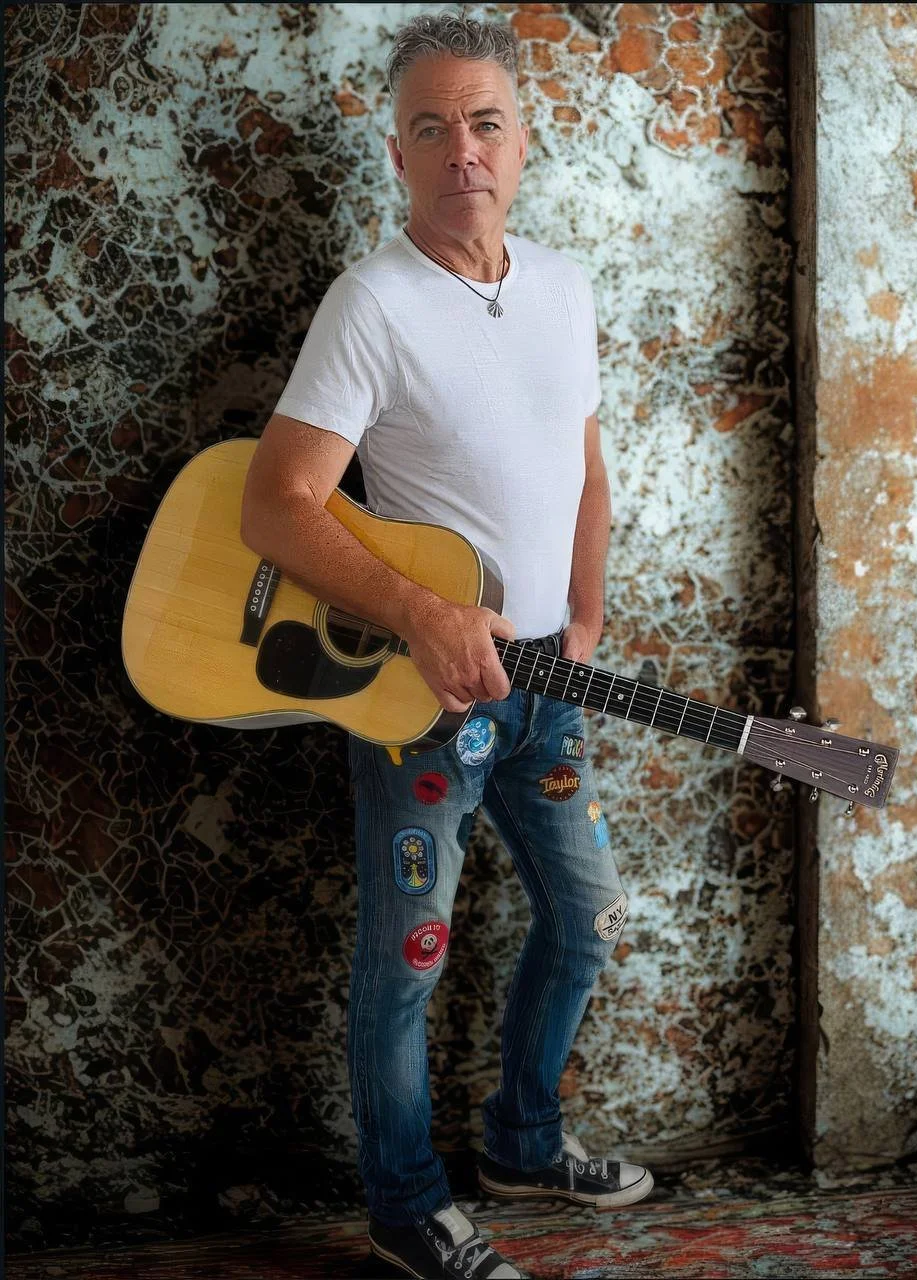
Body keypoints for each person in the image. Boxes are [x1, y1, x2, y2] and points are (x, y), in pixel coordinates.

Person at [240, 11, 653, 1279]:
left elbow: (583, 468)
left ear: (520, 140)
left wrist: (579, 620)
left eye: (484, 121)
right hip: (421, 701)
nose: (461, 148)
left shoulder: (568, 285)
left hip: (549, 691)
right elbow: (273, 504)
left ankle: (523, 1139)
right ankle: (405, 1202)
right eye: (432, 127)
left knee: (582, 927)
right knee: (404, 964)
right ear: (397, 155)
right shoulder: (370, 302)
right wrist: (422, 612)